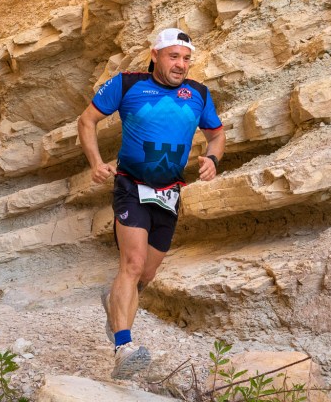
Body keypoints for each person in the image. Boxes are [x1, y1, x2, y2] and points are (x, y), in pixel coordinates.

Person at [77, 28, 225, 380]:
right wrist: (96, 163)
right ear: (155, 54)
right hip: (131, 185)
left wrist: (213, 159)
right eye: (174, 56)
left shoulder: (199, 94)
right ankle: (123, 348)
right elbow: (87, 121)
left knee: (146, 274)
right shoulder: (127, 85)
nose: (181, 64)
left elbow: (216, 135)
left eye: (186, 58)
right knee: (133, 262)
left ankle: (115, 302)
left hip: (169, 192)